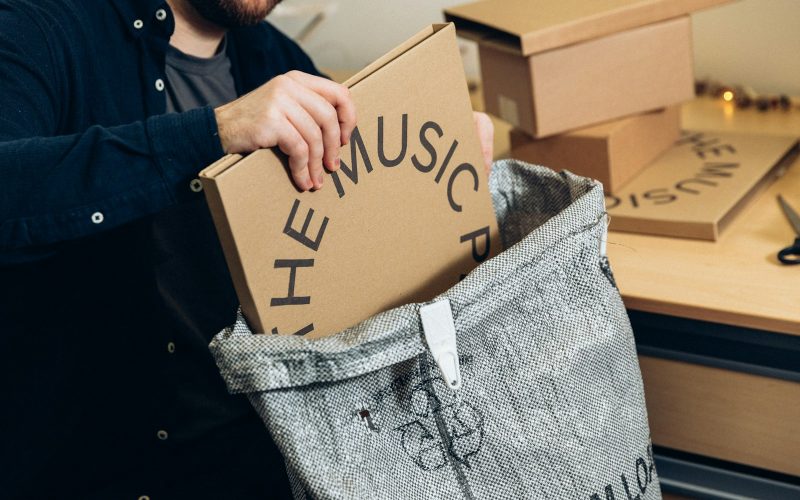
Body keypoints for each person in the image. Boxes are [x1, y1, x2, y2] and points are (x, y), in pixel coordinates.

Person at [0, 0, 494, 498]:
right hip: (96, 469)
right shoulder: (40, 26)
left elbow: (354, 244)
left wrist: (445, 155)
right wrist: (214, 132)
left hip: (254, 462)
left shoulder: (278, 61)